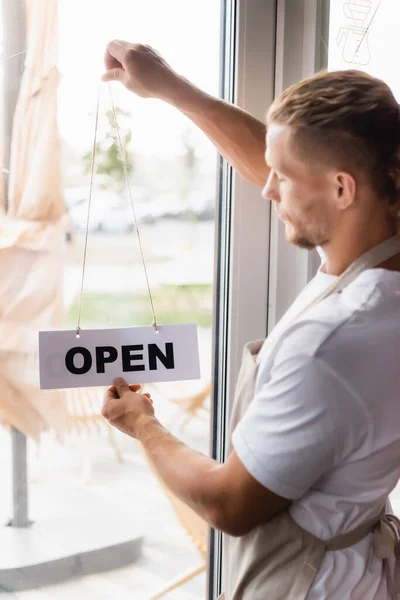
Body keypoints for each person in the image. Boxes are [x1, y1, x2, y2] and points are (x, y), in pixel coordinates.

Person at [101, 40, 400, 599]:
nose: (265, 188)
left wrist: (142, 423)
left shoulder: (333, 342)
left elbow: (229, 503)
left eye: (281, 177)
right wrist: (169, 86)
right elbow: (284, 161)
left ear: (341, 189)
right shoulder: (381, 252)